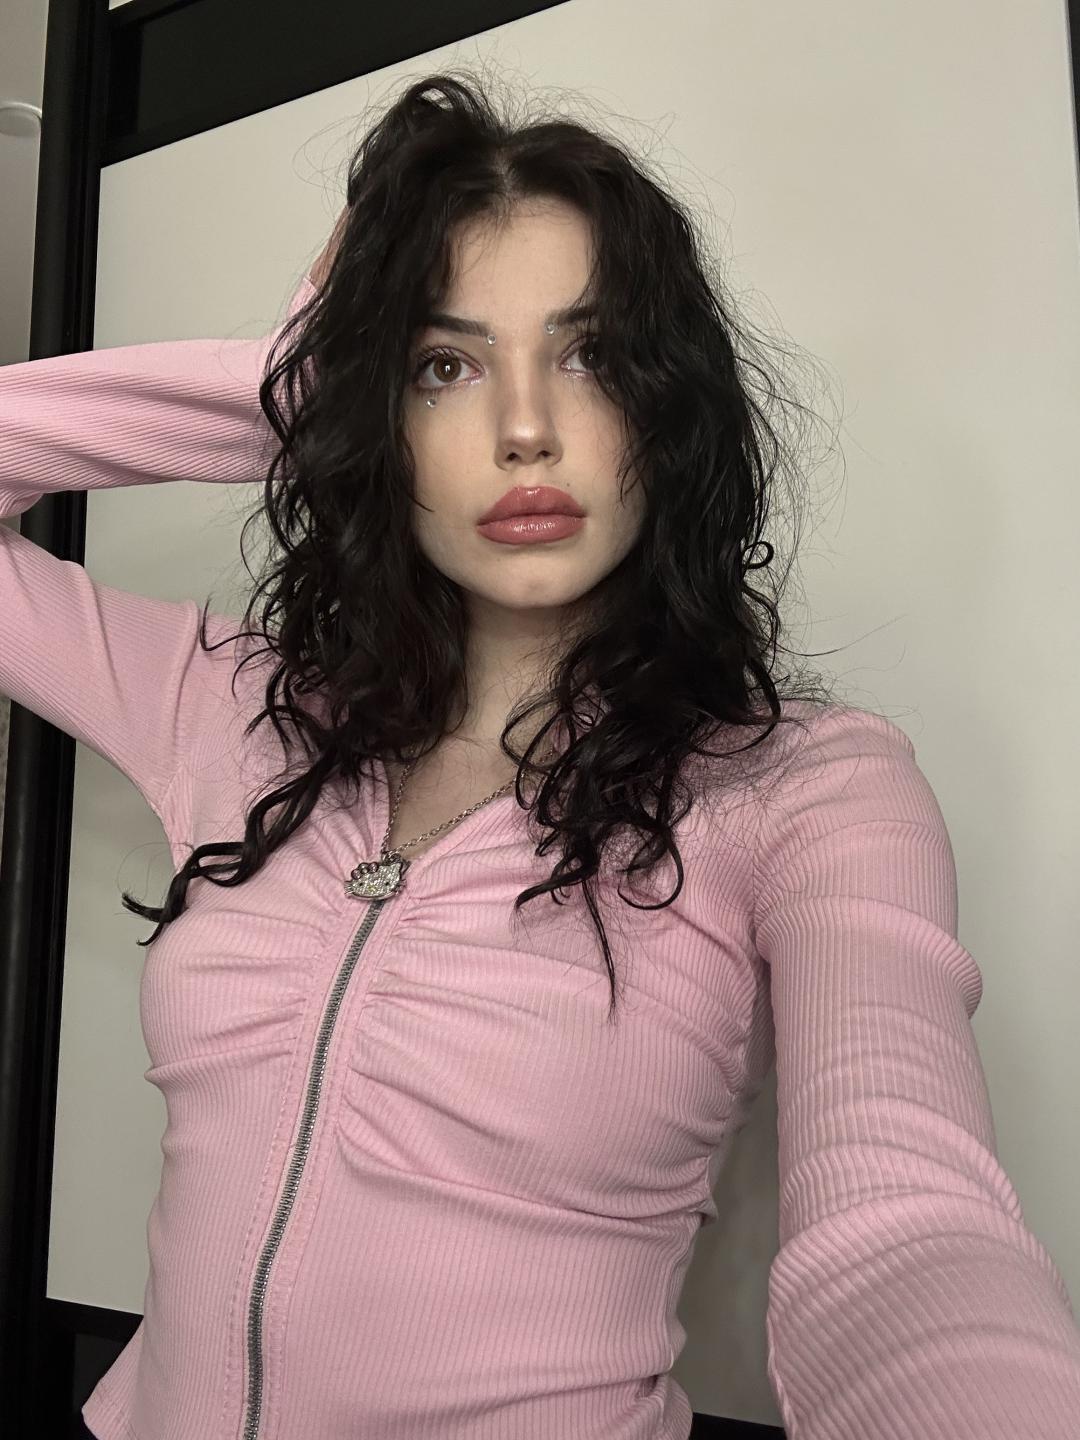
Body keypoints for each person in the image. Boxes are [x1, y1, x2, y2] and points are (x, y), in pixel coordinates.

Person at [3, 71, 1079, 1440]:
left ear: (666, 405)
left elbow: (910, 1227)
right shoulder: (225, 703)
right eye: (444, 367)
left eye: (591, 354)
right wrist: (294, 390)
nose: (524, 427)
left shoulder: (804, 787)